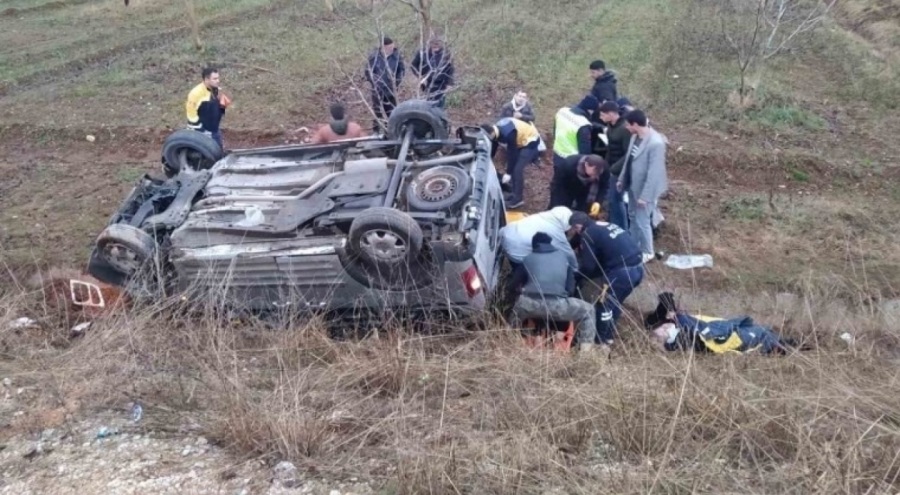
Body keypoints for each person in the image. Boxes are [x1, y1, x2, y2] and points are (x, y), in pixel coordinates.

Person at [508, 233, 598, 351]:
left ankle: (508, 343)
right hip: (558, 305)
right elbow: (570, 289)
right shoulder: (564, 258)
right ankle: (584, 353)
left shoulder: (527, 259)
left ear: (533, 246)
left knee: (513, 317)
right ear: (550, 243)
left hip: (529, 305)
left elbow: (513, 286)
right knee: (589, 311)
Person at [568, 212, 644, 346]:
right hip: (638, 268)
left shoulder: (588, 234)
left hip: (622, 273)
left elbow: (588, 266)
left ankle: (600, 341)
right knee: (615, 303)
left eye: (574, 228)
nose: (574, 231)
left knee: (605, 305)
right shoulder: (603, 226)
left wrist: (577, 276)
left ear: (578, 226)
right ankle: (608, 336)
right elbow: (575, 242)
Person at [645, 292, 797, 355]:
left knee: (761, 331)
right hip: (732, 336)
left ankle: (783, 342)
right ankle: (783, 345)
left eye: (663, 327)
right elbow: (708, 338)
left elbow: (665, 296)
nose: (665, 327)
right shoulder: (682, 338)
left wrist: (671, 313)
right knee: (760, 335)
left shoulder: (667, 322)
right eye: (664, 331)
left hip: (728, 328)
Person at [617, 110, 668, 263]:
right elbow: (629, 160)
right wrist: (621, 179)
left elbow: (655, 173)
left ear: (636, 125)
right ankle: (633, 245)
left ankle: (647, 251)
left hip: (645, 191)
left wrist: (645, 196)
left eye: (628, 124)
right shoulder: (635, 137)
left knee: (643, 221)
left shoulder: (656, 143)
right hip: (632, 186)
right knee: (632, 216)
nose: (626, 127)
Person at [482, 118, 541, 209]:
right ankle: (513, 194)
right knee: (514, 168)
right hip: (520, 141)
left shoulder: (508, 134)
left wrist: (508, 173)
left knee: (517, 169)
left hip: (531, 141)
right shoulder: (495, 132)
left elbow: (512, 154)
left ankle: (518, 199)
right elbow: (494, 147)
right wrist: (488, 160)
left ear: (492, 133)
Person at [500, 206, 577, 271]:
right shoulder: (555, 232)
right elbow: (568, 254)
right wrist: (575, 269)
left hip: (506, 234)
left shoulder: (542, 216)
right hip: (517, 250)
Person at [598, 101, 630, 229]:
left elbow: (628, 154)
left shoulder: (624, 129)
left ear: (611, 114)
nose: (600, 118)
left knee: (617, 200)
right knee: (612, 200)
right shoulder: (611, 127)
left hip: (620, 171)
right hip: (611, 168)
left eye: (602, 115)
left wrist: (614, 169)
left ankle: (622, 228)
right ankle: (614, 223)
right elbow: (611, 149)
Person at [365, 36, 405, 132]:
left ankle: (391, 130)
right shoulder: (374, 57)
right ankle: (377, 130)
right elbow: (368, 72)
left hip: (392, 90)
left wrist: (397, 82)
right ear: (383, 47)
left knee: (391, 111)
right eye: (389, 48)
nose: (391, 49)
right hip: (377, 90)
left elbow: (402, 70)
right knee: (377, 111)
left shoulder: (397, 56)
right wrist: (375, 82)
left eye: (392, 47)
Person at [186, 66, 230, 149]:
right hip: (202, 132)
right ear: (206, 79)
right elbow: (191, 115)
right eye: (215, 79)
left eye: (218, 78)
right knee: (211, 156)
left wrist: (222, 107)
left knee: (219, 152)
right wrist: (202, 131)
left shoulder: (214, 89)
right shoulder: (196, 93)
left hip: (214, 129)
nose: (218, 81)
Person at [551, 95, 598, 169]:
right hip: (572, 161)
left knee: (557, 177)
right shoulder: (583, 124)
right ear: (590, 111)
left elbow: (555, 130)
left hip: (557, 153)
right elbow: (585, 151)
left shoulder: (562, 111)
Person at [411, 37, 454, 109]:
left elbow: (450, 69)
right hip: (427, 83)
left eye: (437, 44)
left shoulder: (445, 53)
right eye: (433, 44)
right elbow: (413, 66)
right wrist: (420, 77)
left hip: (441, 83)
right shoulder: (422, 52)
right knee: (427, 104)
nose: (435, 46)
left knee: (439, 105)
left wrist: (450, 83)